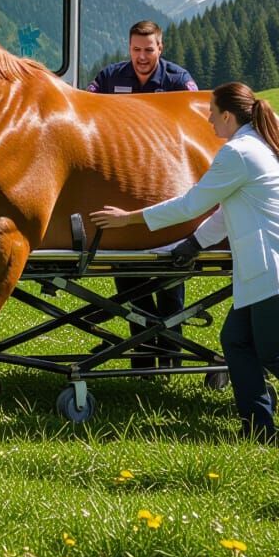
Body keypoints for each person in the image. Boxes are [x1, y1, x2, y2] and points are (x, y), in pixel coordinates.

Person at [91, 82, 279, 446]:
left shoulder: (238, 152)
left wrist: (129, 219)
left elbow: (191, 205)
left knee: (275, 351)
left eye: (211, 111)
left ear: (227, 115)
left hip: (278, 268)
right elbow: (227, 210)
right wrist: (193, 243)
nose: (207, 118)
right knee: (236, 340)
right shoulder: (259, 148)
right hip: (274, 266)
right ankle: (258, 427)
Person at [87, 21, 198, 367]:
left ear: (160, 48)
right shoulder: (109, 78)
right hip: (123, 186)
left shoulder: (180, 82)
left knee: (169, 276)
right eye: (136, 49)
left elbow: (198, 122)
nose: (142, 57)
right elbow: (84, 109)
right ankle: (144, 348)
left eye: (149, 50)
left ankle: (170, 352)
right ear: (129, 48)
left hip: (167, 184)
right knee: (127, 275)